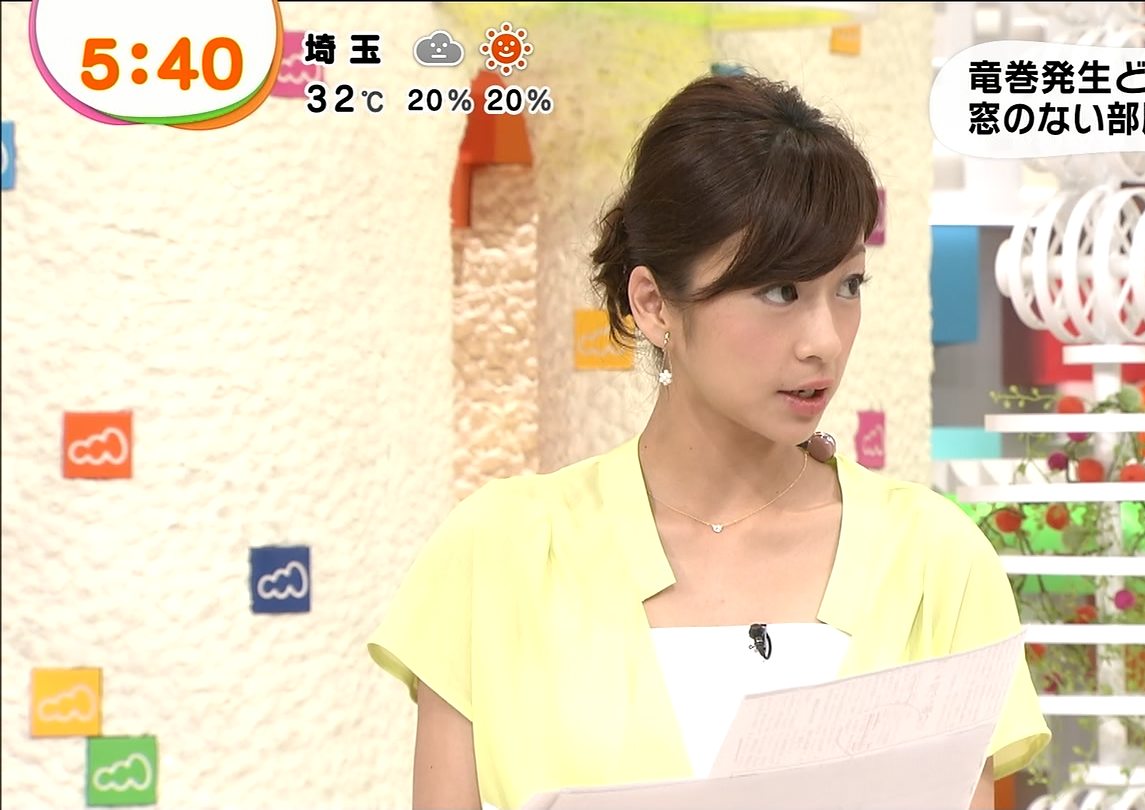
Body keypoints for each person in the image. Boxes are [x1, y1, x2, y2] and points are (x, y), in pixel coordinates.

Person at [368, 72, 1050, 810]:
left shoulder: (934, 559)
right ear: (655, 304)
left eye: (849, 286)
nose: (824, 341)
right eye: (781, 291)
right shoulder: (501, 552)